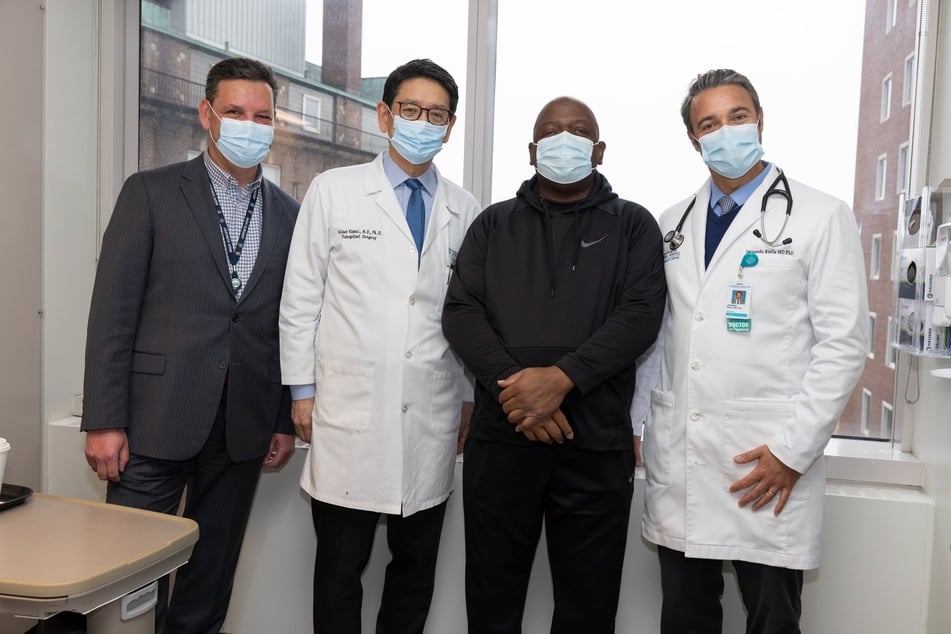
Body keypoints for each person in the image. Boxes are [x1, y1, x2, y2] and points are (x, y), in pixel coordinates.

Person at [640, 69, 868, 633]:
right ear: (694, 141)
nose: (726, 132)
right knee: (686, 617)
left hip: (769, 460)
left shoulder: (821, 215)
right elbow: (662, 336)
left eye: (737, 117)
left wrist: (793, 452)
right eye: (709, 123)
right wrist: (640, 426)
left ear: (760, 119)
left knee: (772, 619)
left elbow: (844, 345)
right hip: (685, 454)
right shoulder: (673, 224)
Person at [81, 57, 299, 633]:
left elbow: (289, 324)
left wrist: (280, 416)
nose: (249, 124)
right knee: (127, 576)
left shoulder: (291, 215)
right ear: (207, 115)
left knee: (209, 579)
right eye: (235, 111)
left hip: (243, 427)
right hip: (152, 421)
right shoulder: (150, 192)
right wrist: (103, 420)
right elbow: (112, 312)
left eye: (262, 115)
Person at [442, 96, 666, 634]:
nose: (564, 139)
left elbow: (639, 316)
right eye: (551, 131)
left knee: (588, 607)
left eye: (579, 130)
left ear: (599, 149)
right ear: (532, 149)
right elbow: (461, 311)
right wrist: (520, 394)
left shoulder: (634, 225)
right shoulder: (493, 224)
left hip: (593, 444)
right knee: (492, 599)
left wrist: (560, 381)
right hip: (503, 438)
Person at [279, 58, 481, 634]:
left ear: (450, 125)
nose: (423, 122)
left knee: (414, 571)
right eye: (411, 110)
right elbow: (301, 299)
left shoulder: (466, 211)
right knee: (340, 572)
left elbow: (467, 319)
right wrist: (301, 390)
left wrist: (466, 396)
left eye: (436, 114)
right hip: (348, 414)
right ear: (385, 115)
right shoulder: (334, 191)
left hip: (432, 412)